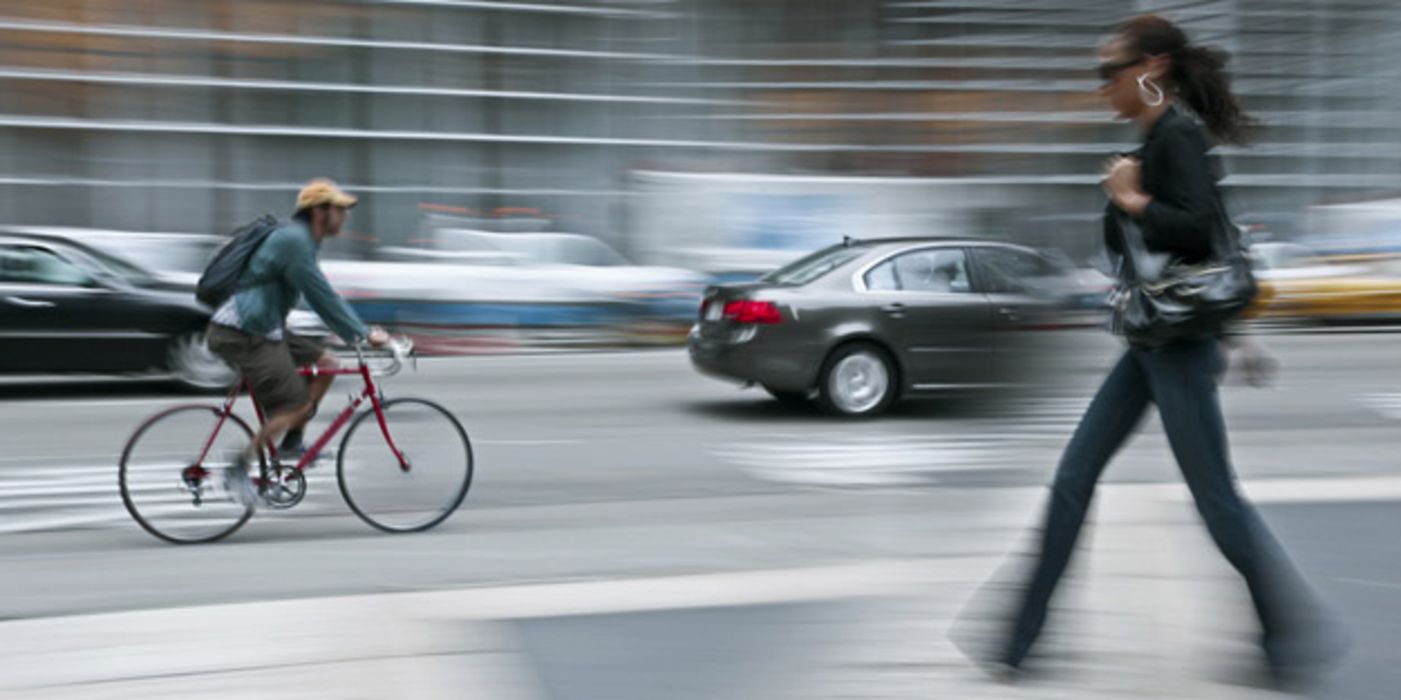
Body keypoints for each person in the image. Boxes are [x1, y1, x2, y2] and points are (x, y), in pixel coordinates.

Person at [983, 14, 1339, 682]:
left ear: (1148, 68)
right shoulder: (1156, 140)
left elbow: (1200, 234)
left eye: (1106, 72)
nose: (1099, 88)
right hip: (1154, 341)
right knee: (1072, 478)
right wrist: (1130, 201)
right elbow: (1183, 256)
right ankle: (1016, 641)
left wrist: (1132, 199)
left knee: (1214, 499)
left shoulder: (1176, 135)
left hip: (1174, 348)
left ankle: (1288, 636)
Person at [207, 178, 390, 505]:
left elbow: (315, 294)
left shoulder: (301, 240)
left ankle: (291, 441)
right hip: (243, 332)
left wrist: (356, 330)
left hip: (263, 326)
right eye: (340, 210)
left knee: (327, 364)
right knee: (295, 405)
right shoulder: (295, 241)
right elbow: (321, 295)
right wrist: (363, 333)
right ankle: (237, 469)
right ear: (320, 212)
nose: (345, 217)